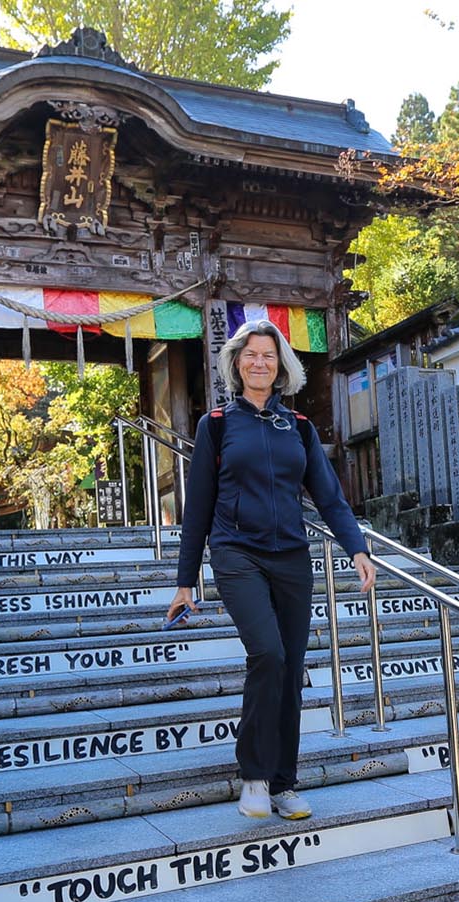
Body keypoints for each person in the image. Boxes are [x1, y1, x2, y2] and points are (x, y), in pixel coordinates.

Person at [165, 320, 375, 821]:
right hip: (237, 554)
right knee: (268, 653)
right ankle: (255, 776)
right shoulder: (216, 424)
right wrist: (184, 580)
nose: (259, 362)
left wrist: (357, 547)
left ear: (281, 367)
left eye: (269, 355)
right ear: (236, 363)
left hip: (291, 559)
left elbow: (327, 495)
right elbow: (198, 510)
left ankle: (283, 782)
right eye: (250, 354)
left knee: (290, 665)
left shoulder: (298, 427)